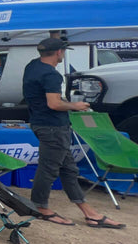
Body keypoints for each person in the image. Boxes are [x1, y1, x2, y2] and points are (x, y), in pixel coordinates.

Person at [22, 36, 125, 229]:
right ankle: (40, 207)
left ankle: (89, 213)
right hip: (53, 127)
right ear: (59, 53)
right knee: (49, 168)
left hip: (42, 123)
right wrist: (75, 105)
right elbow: (54, 103)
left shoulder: (32, 66)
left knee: (68, 169)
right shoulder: (51, 75)